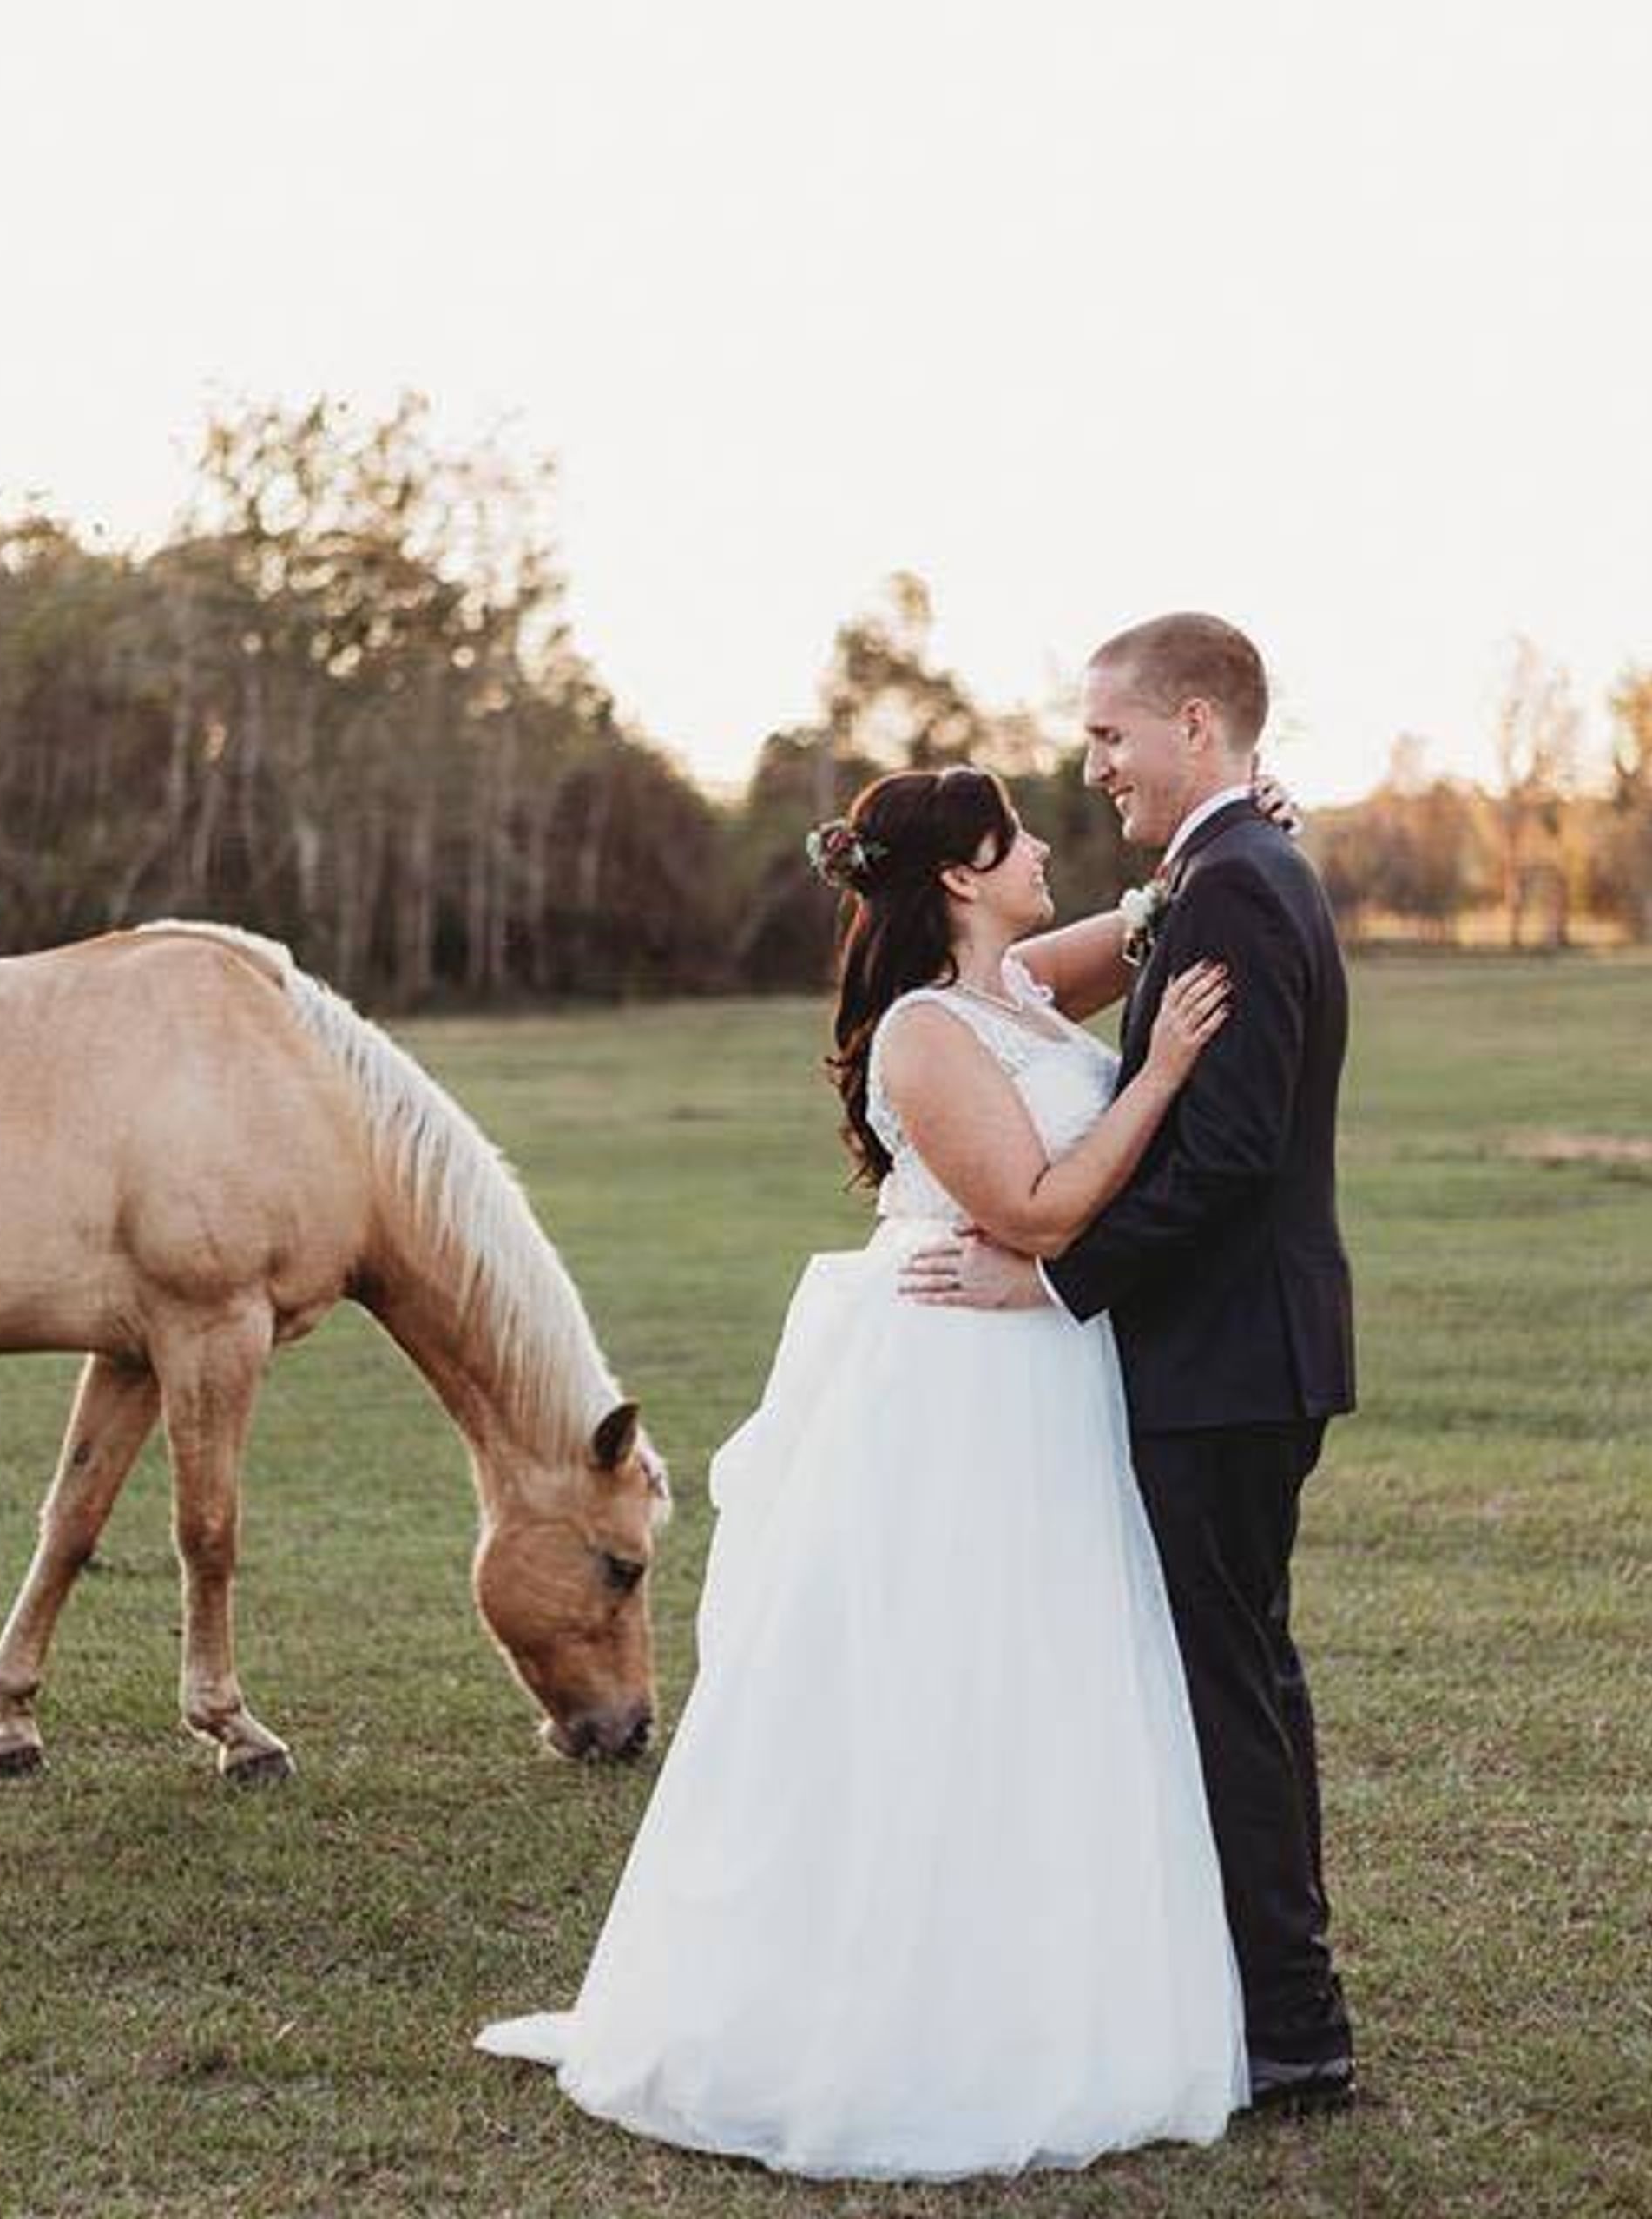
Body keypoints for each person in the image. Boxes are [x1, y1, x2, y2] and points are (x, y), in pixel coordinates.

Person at [474, 761, 1253, 2180]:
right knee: (934, 1674)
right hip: (955, 1377)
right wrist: (1163, 1073)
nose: (1044, 851)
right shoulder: (924, 1034)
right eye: (1016, 838)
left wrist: (1224, 846)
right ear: (960, 873)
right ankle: (886, 2011)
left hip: (1041, 1375)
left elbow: (1144, 918)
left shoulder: (1017, 989)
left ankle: (1031, 1992)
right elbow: (1037, 1212)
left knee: (1039, 1669)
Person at [902, 611, 1360, 2111]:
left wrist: (1049, 1277)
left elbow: (1227, 1156)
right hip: (1233, 1351)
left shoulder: (1242, 884)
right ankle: (1260, 2005)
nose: (1092, 764)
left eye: (1110, 734)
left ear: (1197, 728)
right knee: (1231, 1676)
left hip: (1225, 1355)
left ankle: (1290, 2028)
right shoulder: (1224, 877)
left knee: (1228, 1687)